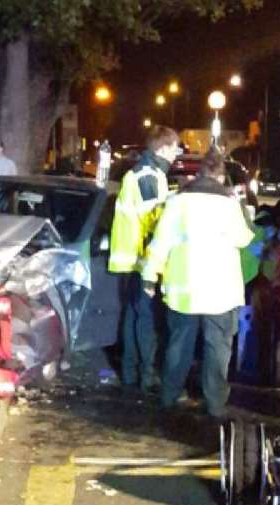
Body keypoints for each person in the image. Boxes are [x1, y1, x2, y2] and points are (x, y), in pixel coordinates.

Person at [142, 148, 254, 417]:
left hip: (184, 291)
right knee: (217, 349)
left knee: (178, 346)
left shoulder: (178, 202)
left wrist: (150, 276)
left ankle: (170, 396)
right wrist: (241, 206)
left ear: (199, 173)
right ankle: (214, 403)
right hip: (220, 292)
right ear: (220, 176)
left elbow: (161, 242)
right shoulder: (228, 204)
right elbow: (243, 239)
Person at [108, 125, 180, 395]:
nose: (177, 152)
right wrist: (174, 204)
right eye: (175, 147)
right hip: (141, 258)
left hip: (131, 257)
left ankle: (130, 372)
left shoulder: (143, 172)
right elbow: (154, 219)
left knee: (133, 317)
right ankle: (145, 375)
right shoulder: (150, 174)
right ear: (161, 148)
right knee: (145, 320)